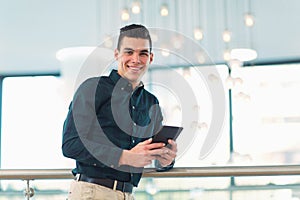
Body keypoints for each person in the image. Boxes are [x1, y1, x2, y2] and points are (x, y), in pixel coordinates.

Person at [62, 24, 178, 200]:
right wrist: (125, 157)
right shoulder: (92, 88)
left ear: (151, 58)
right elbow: (71, 144)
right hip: (91, 193)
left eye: (143, 54)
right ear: (117, 54)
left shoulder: (151, 102)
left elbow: (151, 154)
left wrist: (166, 160)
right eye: (129, 52)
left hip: (127, 194)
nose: (136, 59)